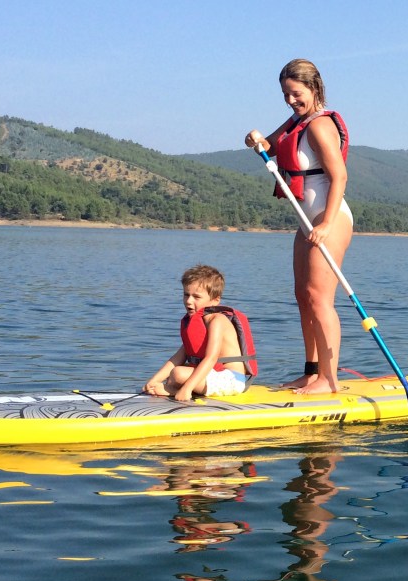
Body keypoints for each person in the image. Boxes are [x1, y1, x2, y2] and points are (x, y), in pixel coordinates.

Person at [244, 58, 353, 394]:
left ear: (314, 88)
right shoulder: (296, 122)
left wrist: (326, 223)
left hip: (329, 218)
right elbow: (269, 146)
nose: (290, 100)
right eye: (285, 95)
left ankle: (329, 379)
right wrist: (255, 140)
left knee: (320, 298)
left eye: (295, 93)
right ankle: (311, 371)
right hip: (307, 220)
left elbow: (340, 177)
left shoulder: (320, 126)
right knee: (303, 296)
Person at [143, 265, 257, 401]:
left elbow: (211, 358)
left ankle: (173, 390)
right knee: (177, 371)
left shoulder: (217, 320)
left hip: (232, 379)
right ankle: (171, 388)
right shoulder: (195, 322)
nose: (189, 301)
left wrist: (187, 389)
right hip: (213, 375)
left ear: (215, 300)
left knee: (178, 373)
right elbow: (177, 358)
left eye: (196, 297)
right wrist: (153, 381)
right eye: (186, 295)